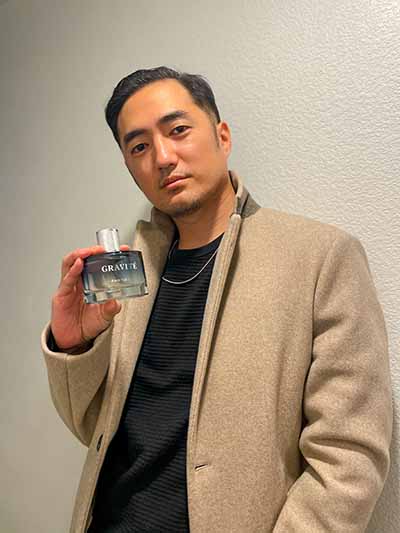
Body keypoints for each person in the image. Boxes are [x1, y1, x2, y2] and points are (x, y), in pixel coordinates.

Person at [41, 66, 393, 533]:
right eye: (140, 147)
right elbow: (95, 432)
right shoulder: (129, 268)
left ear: (222, 136)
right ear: (129, 167)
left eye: (179, 130)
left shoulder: (319, 257)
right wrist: (74, 347)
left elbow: (349, 454)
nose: (163, 157)